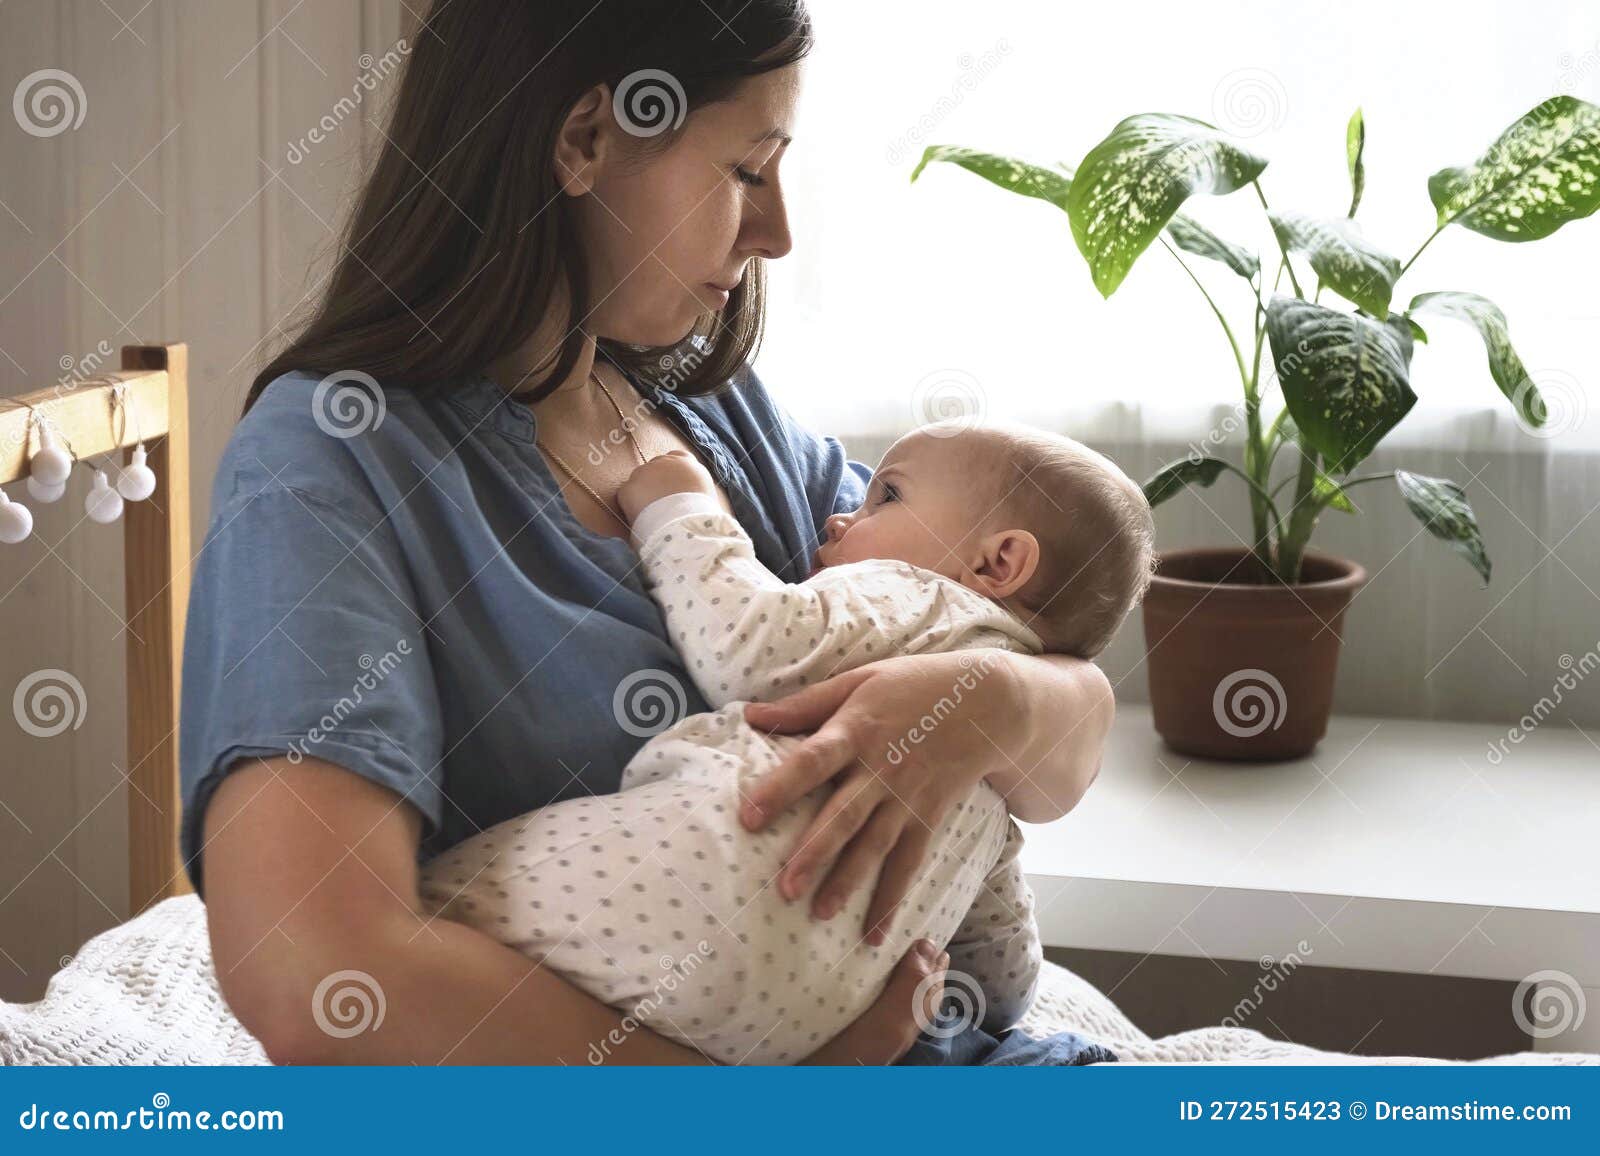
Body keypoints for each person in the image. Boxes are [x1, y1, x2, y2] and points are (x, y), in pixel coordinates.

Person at [181, 0, 1114, 1065]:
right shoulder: (331, 461)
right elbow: (317, 973)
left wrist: (981, 703)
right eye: (747, 172)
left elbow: (1061, 717)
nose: (777, 233)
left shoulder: (710, 408)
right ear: (584, 140)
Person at [419, 423, 1155, 1064]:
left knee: (431, 911)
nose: (837, 518)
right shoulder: (994, 801)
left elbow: (750, 646)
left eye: (885, 497)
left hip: (668, 903)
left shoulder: (916, 596)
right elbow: (1003, 982)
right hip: (787, 1031)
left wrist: (682, 506)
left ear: (996, 566)